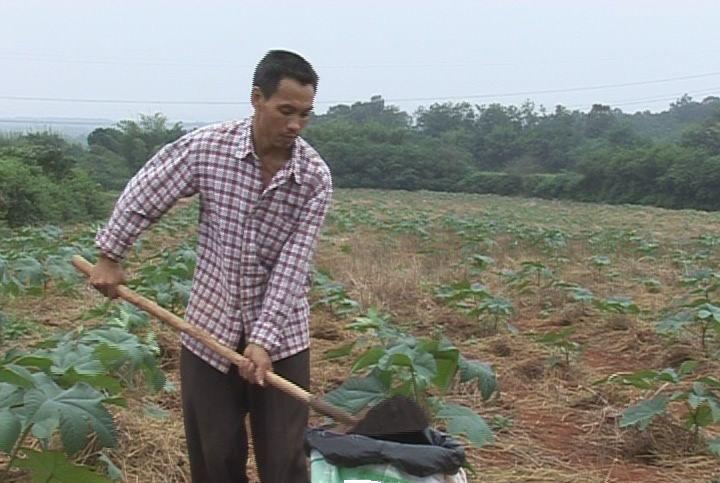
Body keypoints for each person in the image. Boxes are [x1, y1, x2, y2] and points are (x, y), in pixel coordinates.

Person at [90, 50, 331, 483]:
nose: (295, 125)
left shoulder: (313, 177)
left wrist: (262, 341)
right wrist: (111, 255)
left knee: (285, 464)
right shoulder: (209, 148)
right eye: (286, 111)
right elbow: (148, 190)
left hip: (283, 338)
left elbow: (294, 267)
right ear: (257, 98)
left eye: (306, 115)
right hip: (209, 329)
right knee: (215, 459)